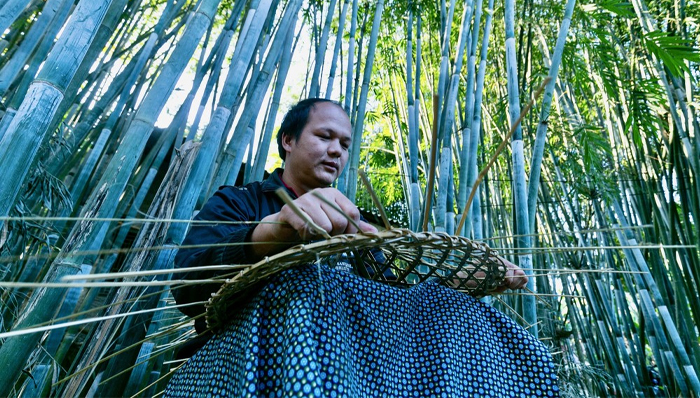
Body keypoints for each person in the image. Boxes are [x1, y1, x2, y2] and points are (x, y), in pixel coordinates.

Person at [165, 98, 559, 397]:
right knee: (305, 285)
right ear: (288, 140)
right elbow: (187, 287)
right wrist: (274, 231)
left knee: (463, 311)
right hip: (245, 361)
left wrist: (459, 279)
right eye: (324, 136)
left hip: (363, 364)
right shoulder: (241, 202)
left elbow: (397, 294)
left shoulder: (363, 225)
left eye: (345, 144)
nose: (336, 150)